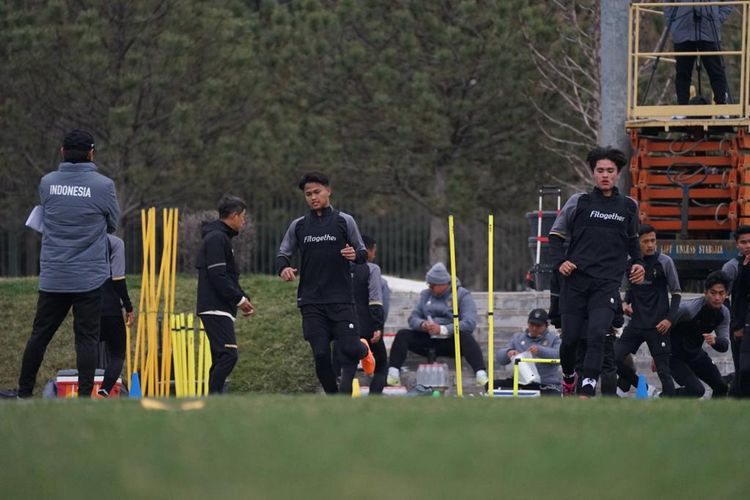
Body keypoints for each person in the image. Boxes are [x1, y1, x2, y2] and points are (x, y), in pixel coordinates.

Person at [17, 129, 120, 398]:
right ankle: (85, 396)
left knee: (39, 335)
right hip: (89, 277)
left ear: (62, 152)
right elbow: (112, 223)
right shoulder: (104, 186)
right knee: (86, 338)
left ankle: (23, 392)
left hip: (54, 275)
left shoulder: (47, 183)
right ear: (91, 153)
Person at [549, 146, 645, 398]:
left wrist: (638, 263)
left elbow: (634, 241)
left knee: (598, 334)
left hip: (607, 284)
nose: (605, 175)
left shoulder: (628, 206)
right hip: (576, 282)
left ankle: (587, 388)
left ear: (618, 174)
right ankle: (570, 377)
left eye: (610, 171)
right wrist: (561, 262)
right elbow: (555, 236)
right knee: (569, 340)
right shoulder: (578, 202)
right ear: (593, 173)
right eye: (600, 170)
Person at [276, 172, 374, 395]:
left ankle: (364, 349)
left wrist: (353, 255)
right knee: (320, 355)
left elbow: (361, 253)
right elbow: (283, 253)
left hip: (341, 300)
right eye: (308, 194)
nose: (312, 197)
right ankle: (333, 399)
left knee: (349, 348)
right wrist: (284, 268)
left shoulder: (344, 221)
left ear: (328, 191)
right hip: (311, 301)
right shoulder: (299, 226)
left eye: (317, 192)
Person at [386, 262, 488, 387]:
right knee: (403, 335)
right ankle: (393, 373)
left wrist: (443, 329)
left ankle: (480, 373)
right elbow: (413, 318)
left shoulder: (462, 295)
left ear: (443, 284)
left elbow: (469, 322)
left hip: (451, 341)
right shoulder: (425, 295)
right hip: (428, 339)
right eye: (429, 285)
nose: (430, 288)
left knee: (466, 337)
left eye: (433, 285)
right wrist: (423, 325)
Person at [196, 196, 255, 394]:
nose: (244, 222)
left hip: (220, 307)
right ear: (234, 215)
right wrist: (239, 300)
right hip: (215, 306)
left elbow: (228, 276)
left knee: (220, 357)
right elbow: (217, 275)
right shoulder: (216, 238)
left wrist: (244, 296)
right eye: (243, 217)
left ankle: (213, 400)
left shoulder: (221, 237)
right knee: (229, 355)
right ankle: (213, 399)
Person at [615, 224, 682, 397]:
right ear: (638, 244)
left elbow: (676, 294)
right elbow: (630, 289)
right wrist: (624, 303)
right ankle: (642, 388)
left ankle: (668, 404)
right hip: (636, 325)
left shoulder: (665, 262)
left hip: (658, 326)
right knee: (612, 358)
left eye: (653, 240)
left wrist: (669, 320)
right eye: (645, 241)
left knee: (664, 373)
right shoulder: (631, 263)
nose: (650, 245)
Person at [669, 271, 731, 398]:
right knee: (696, 390)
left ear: (726, 295)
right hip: (674, 356)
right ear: (705, 293)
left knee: (722, 387)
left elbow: (724, 345)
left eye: (721, 293)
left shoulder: (724, 313)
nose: (717, 298)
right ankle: (661, 397)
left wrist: (715, 341)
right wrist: (658, 355)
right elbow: (664, 327)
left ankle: (713, 417)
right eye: (713, 293)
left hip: (695, 354)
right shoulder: (688, 309)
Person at [664, 1, 734, 106]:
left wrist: (717, 19)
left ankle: (721, 104)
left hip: (709, 30)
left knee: (715, 70)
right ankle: (681, 107)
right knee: (682, 72)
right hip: (683, 30)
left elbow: (729, 2)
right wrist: (672, 21)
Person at [96, 234, 135, 397]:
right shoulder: (115, 242)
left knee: (86, 348)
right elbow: (119, 279)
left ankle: (84, 386)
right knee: (118, 353)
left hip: (89, 307)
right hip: (111, 309)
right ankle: (105, 387)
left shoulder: (83, 239)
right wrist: (128, 306)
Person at [351, 234, 388, 394]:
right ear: (369, 251)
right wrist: (378, 325)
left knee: (346, 366)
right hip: (367, 326)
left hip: (344, 325)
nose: (374, 255)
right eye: (374, 251)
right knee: (381, 365)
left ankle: (344, 398)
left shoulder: (342, 268)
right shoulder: (372, 269)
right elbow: (375, 300)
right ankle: (373, 398)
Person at [495, 308, 561, 394]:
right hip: (520, 382)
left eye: (538, 325)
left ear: (546, 325)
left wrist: (540, 350)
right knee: (491, 385)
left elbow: (560, 355)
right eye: (531, 324)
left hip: (545, 384)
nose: (534, 328)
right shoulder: (518, 338)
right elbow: (500, 359)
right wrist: (508, 352)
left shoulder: (554, 338)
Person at [723, 225, 750, 397]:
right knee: (743, 369)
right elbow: (725, 298)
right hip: (740, 326)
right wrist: (734, 325)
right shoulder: (731, 267)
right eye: (744, 242)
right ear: (737, 245)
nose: (748, 245)